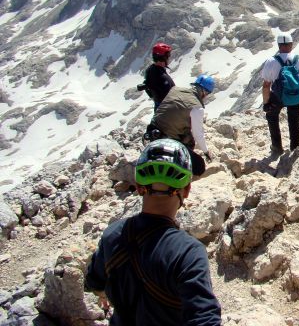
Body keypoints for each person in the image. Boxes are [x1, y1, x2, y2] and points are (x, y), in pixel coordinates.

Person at [85, 138, 222, 325]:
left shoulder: (112, 234)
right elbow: (204, 318)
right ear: (187, 190)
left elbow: (94, 282)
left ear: (140, 187)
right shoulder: (188, 253)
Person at [261, 33, 299, 155]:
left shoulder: (271, 61)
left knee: (272, 117)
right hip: (296, 96)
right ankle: (294, 148)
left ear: (279, 45)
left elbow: (266, 85)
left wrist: (266, 103)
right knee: (294, 121)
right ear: (291, 45)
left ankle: (277, 146)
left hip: (277, 97)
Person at [149, 74, 214, 176]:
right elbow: (198, 134)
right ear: (204, 92)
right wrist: (206, 152)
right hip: (167, 139)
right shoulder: (197, 108)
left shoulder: (175, 90)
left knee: (188, 138)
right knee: (199, 166)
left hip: (151, 131)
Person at [141, 43, 175, 110]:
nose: (169, 57)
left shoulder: (155, 70)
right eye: (167, 55)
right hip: (165, 111)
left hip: (165, 108)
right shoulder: (156, 73)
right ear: (162, 57)